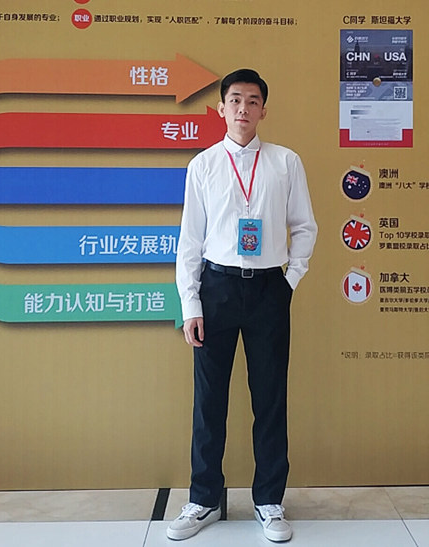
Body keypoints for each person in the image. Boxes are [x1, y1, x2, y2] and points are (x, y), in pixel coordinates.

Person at [168, 69, 317, 542]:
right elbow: (190, 240)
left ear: (263, 110)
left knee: (270, 398)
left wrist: (289, 281)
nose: (243, 109)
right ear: (221, 108)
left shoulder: (285, 162)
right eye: (235, 100)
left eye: (253, 101)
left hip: (270, 289)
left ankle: (269, 501)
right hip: (216, 288)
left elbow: (305, 227)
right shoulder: (203, 165)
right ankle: (204, 499)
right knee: (209, 400)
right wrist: (191, 303)